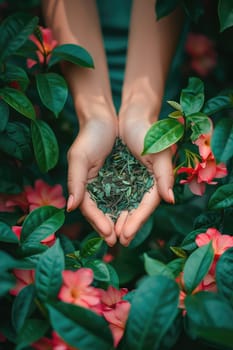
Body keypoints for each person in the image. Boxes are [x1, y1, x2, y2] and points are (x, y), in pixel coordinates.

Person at [41, 0, 184, 247]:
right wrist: (94, 115)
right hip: (72, 87)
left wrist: (141, 110)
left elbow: (163, 5)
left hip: (160, 78)